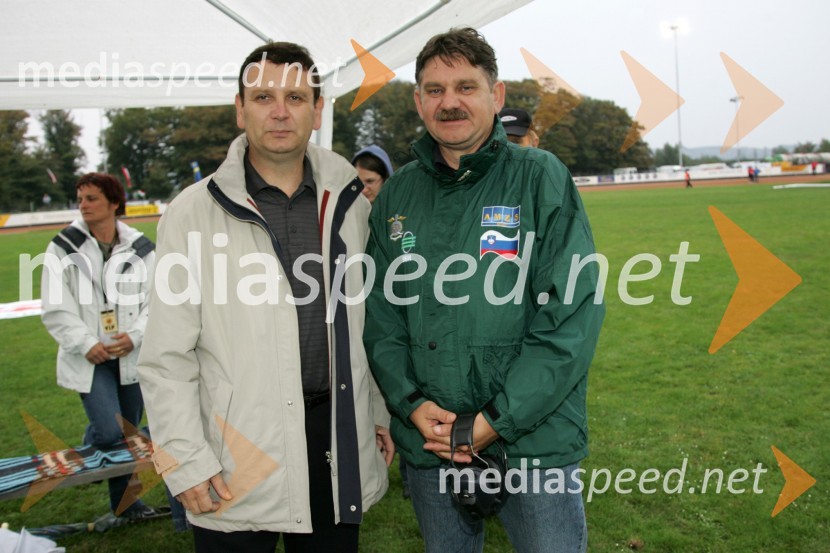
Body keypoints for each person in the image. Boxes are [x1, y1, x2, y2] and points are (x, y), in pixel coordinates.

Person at [137, 42, 391, 553]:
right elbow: (165, 357)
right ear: (240, 108)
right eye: (263, 97)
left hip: (334, 436)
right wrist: (184, 459)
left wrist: (376, 413)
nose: (279, 111)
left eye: (295, 97)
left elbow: (367, 325)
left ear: (317, 110)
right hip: (236, 450)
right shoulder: (191, 213)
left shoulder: (351, 204)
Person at [364, 27, 604, 553]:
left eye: (466, 87)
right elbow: (380, 317)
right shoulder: (397, 195)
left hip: (532, 443)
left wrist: (498, 420)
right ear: (418, 101)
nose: (449, 102)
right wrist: (410, 403)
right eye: (435, 90)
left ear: (496, 95)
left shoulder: (540, 177)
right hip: (431, 446)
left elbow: (571, 315)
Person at [40, 172, 159, 520]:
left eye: (91, 198)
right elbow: (55, 305)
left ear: (114, 203)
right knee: (110, 431)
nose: (83, 205)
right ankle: (93, 443)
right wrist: (86, 343)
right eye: (80, 199)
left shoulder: (142, 247)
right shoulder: (63, 246)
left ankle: (127, 506)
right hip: (90, 358)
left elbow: (157, 302)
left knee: (128, 436)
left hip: (130, 355)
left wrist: (135, 336)